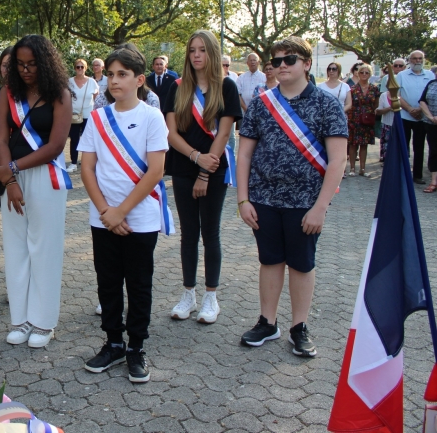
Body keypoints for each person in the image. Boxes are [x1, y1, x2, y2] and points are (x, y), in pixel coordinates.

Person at [237, 36, 347, 357]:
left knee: (301, 264)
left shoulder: (327, 104)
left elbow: (338, 160)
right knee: (269, 260)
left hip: (306, 203)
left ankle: (299, 327)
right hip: (264, 199)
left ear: (307, 64)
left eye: (290, 59)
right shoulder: (260, 103)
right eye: (277, 60)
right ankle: (268, 322)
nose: (281, 65)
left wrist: (321, 207)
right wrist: (243, 200)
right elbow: (244, 156)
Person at [79, 45, 170, 383]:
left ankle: (136, 348)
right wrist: (106, 211)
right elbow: (87, 167)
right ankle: (113, 343)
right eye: (112, 75)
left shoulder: (152, 116)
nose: (114, 81)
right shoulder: (98, 117)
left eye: (122, 75)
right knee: (108, 283)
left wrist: (122, 212)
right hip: (102, 217)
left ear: (139, 79)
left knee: (139, 283)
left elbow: (156, 171)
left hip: (140, 217)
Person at [0, 34, 72, 348]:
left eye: (32, 64)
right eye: (20, 65)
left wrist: (12, 169)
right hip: (12, 178)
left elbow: (55, 146)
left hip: (45, 176)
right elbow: (0, 139)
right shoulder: (7, 93)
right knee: (16, 249)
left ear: (46, 63)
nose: (26, 70)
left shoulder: (60, 94)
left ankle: (44, 322)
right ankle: (21, 319)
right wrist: (10, 182)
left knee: (44, 249)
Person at [165, 30, 241, 324]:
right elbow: (171, 133)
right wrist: (196, 158)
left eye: (202, 50)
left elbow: (224, 134)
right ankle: (188, 294)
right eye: (192, 50)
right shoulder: (177, 88)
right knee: (188, 234)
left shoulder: (227, 87)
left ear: (212, 53)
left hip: (215, 169)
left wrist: (205, 172)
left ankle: (211, 296)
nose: (196, 55)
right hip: (184, 167)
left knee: (210, 233)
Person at [398, 50, 435, 184]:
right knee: (403, 146)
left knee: (419, 147)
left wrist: (420, 109)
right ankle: (402, 174)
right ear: (409, 60)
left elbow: (431, 94)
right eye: (415, 59)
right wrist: (409, 109)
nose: (418, 61)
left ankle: (417, 175)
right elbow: (396, 95)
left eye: (420, 58)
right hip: (405, 116)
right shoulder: (402, 75)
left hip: (423, 117)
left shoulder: (430, 75)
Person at [346, 64, 380, 177]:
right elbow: (349, 103)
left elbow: (376, 104)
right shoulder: (352, 88)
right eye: (362, 72)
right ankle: (352, 168)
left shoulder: (374, 88)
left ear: (370, 74)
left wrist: (372, 112)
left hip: (367, 119)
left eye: (367, 72)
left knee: (364, 144)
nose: (364, 74)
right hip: (354, 118)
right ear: (358, 73)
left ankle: (362, 168)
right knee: (352, 144)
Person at [67, 59, 98, 172]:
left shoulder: (92, 82)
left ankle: (87, 163)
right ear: (74, 68)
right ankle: (74, 162)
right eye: (77, 67)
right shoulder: (69, 81)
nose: (80, 69)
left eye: (82, 67)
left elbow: (95, 98)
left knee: (89, 140)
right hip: (74, 115)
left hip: (88, 115)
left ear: (86, 68)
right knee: (74, 139)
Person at [419, 76, 437, 193]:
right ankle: (434, 181)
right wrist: (431, 117)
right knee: (434, 152)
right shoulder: (431, 83)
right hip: (431, 124)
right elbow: (422, 101)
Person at [376, 89, 394, 162]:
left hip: (398, 124)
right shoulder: (383, 95)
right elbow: (379, 111)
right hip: (386, 123)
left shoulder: (400, 94)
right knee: (385, 144)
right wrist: (389, 108)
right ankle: (385, 160)